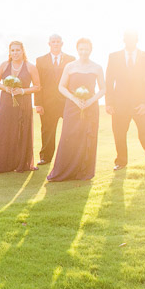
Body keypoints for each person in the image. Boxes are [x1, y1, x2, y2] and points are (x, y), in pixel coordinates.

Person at [47, 38, 105, 182]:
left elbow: (103, 89)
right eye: (81, 49)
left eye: (86, 49)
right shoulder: (70, 66)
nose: (84, 52)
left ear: (90, 50)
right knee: (70, 136)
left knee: (87, 138)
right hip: (72, 107)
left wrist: (91, 101)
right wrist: (74, 99)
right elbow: (61, 87)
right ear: (77, 50)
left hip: (90, 108)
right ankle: (65, 171)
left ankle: (84, 171)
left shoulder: (97, 67)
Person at [105, 30, 145, 170]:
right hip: (119, 104)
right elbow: (109, 81)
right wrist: (109, 103)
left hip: (140, 104)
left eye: (132, 38)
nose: (130, 41)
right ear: (123, 39)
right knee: (119, 134)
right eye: (127, 38)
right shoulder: (114, 57)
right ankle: (121, 162)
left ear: (137, 39)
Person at [0, 41, 41, 175]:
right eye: (13, 50)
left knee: (22, 132)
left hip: (24, 103)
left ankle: (21, 164)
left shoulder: (30, 67)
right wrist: (6, 88)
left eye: (18, 50)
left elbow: (38, 86)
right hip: (6, 102)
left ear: (23, 51)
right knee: (3, 131)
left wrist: (22, 91)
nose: (15, 53)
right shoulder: (4, 65)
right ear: (9, 52)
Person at [35, 34, 75, 166]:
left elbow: (73, 81)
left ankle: (69, 156)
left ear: (62, 43)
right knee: (47, 131)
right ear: (49, 44)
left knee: (70, 130)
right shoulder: (40, 60)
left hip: (66, 102)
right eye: (53, 42)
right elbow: (38, 83)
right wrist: (38, 104)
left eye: (58, 42)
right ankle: (45, 157)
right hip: (47, 104)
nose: (56, 44)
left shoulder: (71, 59)